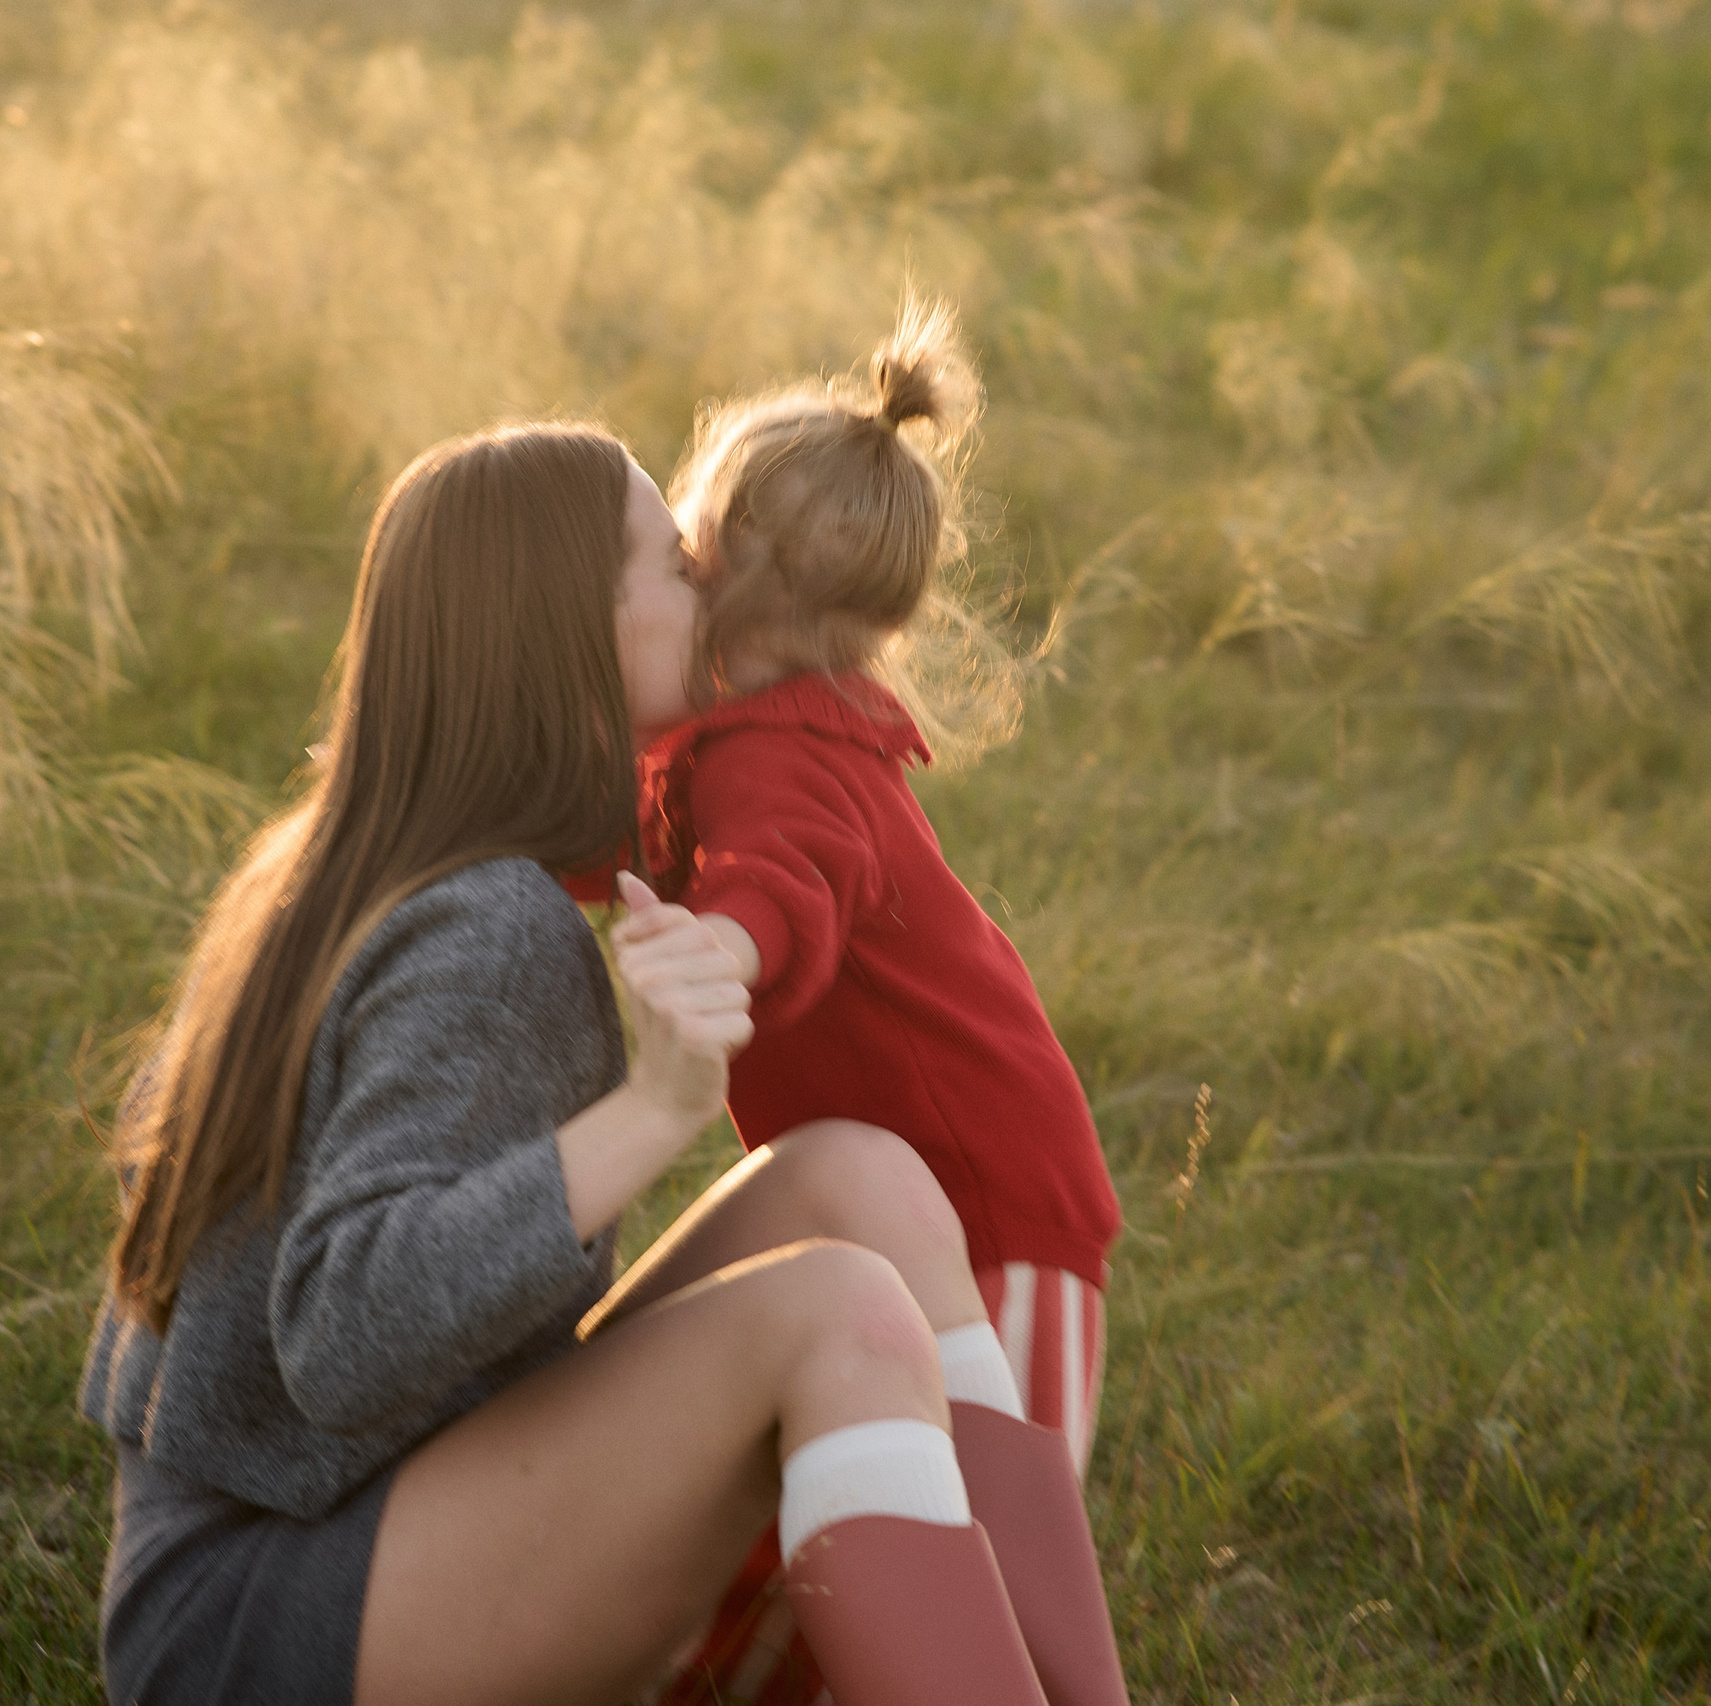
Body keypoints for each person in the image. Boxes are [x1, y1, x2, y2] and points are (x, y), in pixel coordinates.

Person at [78, 422, 1062, 1706]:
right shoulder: (486, 922)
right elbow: (341, 1336)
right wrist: (652, 1110)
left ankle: (1055, 1679)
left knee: (855, 1180)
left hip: (313, 1543)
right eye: (670, 561)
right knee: (835, 1312)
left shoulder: (362, 851)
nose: (710, 583)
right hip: (269, 1617)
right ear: (572, 633)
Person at [599, 303, 1131, 1706]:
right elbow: (643, 831)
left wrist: (729, 946)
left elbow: (791, 881)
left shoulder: (789, 753)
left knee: (945, 1559)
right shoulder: (739, 732)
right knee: (837, 1529)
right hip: (911, 1213)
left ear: (705, 556)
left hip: (996, 1226)